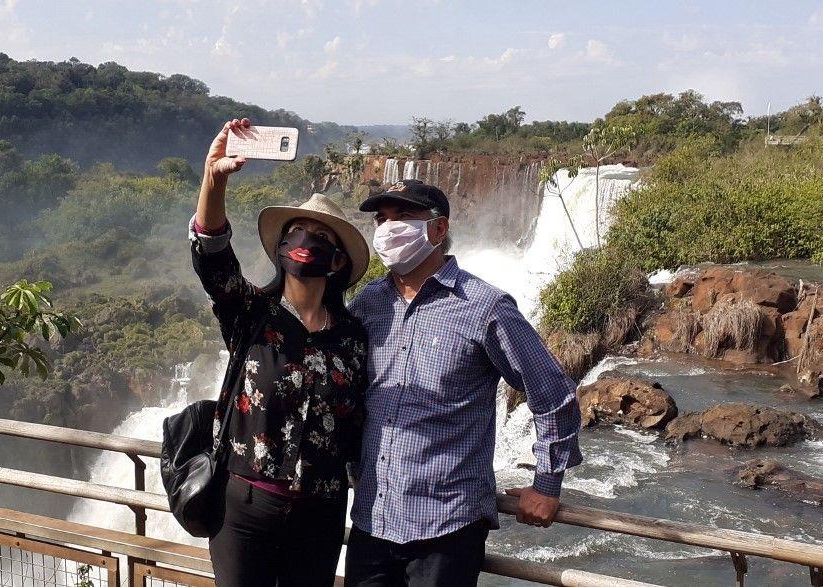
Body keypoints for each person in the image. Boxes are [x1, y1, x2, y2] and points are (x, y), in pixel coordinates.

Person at [344, 179, 583, 586]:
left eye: (404, 217)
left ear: (438, 229)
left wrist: (546, 484)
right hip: (372, 517)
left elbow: (553, 393)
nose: (388, 228)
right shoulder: (368, 303)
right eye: (382, 219)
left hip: (446, 528)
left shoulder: (485, 306)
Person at [190, 118, 370, 587]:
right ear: (282, 246)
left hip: (320, 513)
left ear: (338, 261)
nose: (307, 240)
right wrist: (214, 178)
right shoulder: (251, 313)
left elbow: (360, 425)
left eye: (321, 237)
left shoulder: (353, 338)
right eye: (299, 230)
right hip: (244, 507)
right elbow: (212, 255)